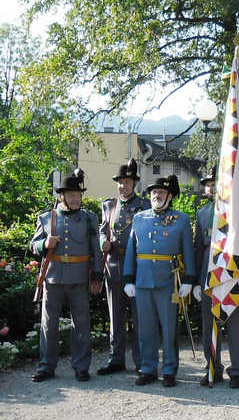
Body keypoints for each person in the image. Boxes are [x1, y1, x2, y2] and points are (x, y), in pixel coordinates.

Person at [123, 175, 196, 387]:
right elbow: (131, 251)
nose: (156, 195)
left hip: (169, 281)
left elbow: (188, 252)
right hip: (143, 280)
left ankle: (170, 369)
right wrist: (129, 278)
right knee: (145, 328)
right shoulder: (139, 218)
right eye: (154, 192)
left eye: (161, 192)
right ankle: (148, 369)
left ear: (170, 196)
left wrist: (189, 280)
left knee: (170, 327)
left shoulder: (180, 219)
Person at [29, 169, 102, 382]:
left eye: (78, 195)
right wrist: (44, 243)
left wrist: (97, 278)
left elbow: (96, 251)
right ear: (61, 196)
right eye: (71, 195)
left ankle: (81, 367)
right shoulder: (46, 218)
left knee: (81, 324)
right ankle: (46, 366)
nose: (76, 198)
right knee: (48, 325)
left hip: (79, 279)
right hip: (52, 280)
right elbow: (33, 245)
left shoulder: (89, 218)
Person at [193, 166, 239, 388]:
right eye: (208, 185)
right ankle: (212, 367)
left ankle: (236, 371)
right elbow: (197, 249)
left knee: (234, 324)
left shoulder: (237, 213)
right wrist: (195, 281)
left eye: (216, 185)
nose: (212, 188)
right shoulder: (202, 214)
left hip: (231, 270)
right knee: (209, 322)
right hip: (208, 270)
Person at [96, 159, 150, 376]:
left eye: (127, 182)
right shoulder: (109, 206)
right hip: (114, 266)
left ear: (134, 184)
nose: (123, 186)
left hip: (138, 268)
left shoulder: (145, 206)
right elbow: (101, 231)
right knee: (115, 317)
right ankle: (116, 358)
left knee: (139, 318)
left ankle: (140, 360)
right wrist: (102, 243)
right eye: (120, 182)